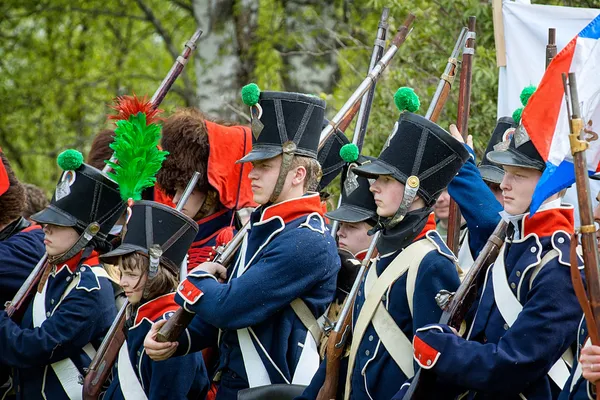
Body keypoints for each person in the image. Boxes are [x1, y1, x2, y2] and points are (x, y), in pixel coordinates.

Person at [143, 85, 340, 400]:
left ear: (297, 174)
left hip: (276, 388)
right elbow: (223, 322)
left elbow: (228, 307)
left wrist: (194, 281)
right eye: (254, 165)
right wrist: (176, 339)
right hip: (240, 387)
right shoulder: (262, 228)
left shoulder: (307, 239)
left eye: (265, 166)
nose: (251, 174)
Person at [298, 87, 469, 400]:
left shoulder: (432, 263)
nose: (373, 187)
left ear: (413, 190)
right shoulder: (381, 255)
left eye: (386, 180)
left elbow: (435, 371)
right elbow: (344, 348)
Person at [407, 120, 583, 399]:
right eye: (506, 173)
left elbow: (513, 365)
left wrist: (445, 351)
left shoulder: (561, 265)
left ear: (551, 181)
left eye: (518, 175)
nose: (504, 184)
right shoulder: (513, 244)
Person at [0, 149, 124, 399]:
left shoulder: (90, 288)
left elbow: (34, 347)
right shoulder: (53, 273)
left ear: (87, 233)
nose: (46, 228)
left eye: (58, 224)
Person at [100, 200, 210, 399]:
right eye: (122, 273)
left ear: (155, 275)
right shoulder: (139, 317)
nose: (123, 282)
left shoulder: (169, 327)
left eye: (132, 275)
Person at [156, 108, 256, 272]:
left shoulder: (231, 241)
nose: (175, 200)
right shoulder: (175, 242)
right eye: (175, 191)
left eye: (184, 191)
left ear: (210, 191)